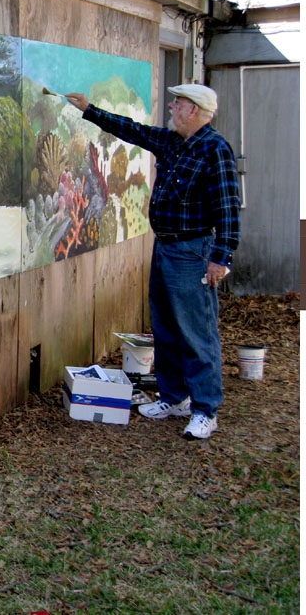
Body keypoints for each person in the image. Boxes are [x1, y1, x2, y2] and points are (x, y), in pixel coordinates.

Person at [64, 84, 240, 440]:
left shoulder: (214, 149)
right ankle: (175, 398)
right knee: (165, 326)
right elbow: (134, 130)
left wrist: (221, 258)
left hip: (193, 252)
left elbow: (228, 208)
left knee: (196, 331)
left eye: (178, 103)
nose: (172, 106)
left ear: (194, 111)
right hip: (165, 248)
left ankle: (206, 410)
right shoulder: (173, 141)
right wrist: (90, 109)